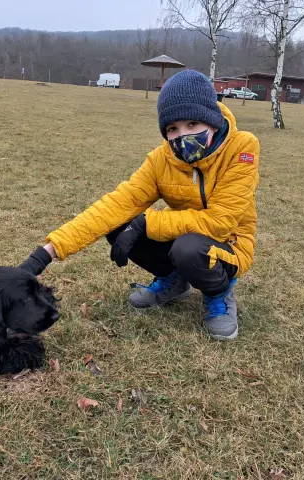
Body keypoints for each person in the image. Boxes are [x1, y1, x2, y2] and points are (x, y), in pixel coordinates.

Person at [20, 70, 260, 340]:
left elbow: (220, 222)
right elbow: (115, 204)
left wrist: (146, 222)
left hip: (229, 244)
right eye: (172, 129)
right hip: (182, 235)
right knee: (118, 224)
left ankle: (219, 293)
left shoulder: (243, 148)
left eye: (192, 124)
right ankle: (173, 281)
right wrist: (44, 255)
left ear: (212, 121)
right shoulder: (161, 159)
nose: (182, 136)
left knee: (187, 248)